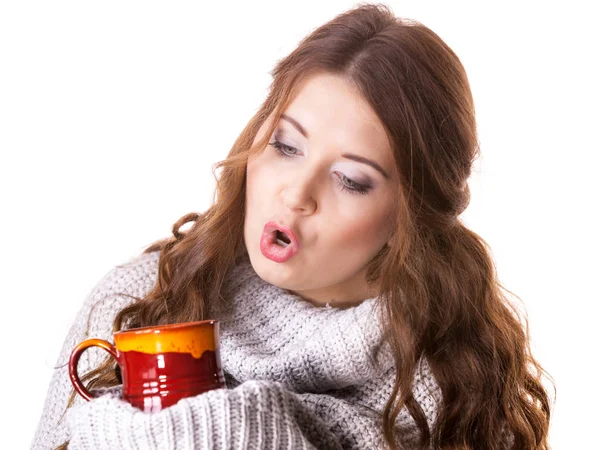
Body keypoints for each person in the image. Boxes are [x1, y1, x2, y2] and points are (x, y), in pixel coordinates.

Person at [31, 3, 553, 449]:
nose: (296, 194)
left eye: (350, 180)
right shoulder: (140, 299)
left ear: (410, 216)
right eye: (285, 146)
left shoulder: (464, 385)